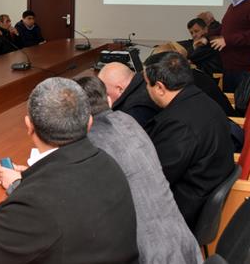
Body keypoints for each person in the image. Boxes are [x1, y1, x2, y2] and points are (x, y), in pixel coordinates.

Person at [0, 78, 138, 264]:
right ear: (89, 124)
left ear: (29, 126)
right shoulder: (107, 163)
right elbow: (56, 217)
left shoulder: (38, 201)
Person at [75, 76, 203, 264]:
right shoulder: (128, 120)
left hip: (146, 256)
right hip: (184, 245)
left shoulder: (90, 145)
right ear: (109, 100)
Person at [143, 52, 235, 231]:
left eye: (147, 84)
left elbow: (156, 179)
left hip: (184, 212)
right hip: (201, 194)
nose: (146, 89)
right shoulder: (202, 100)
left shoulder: (179, 124)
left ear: (160, 87)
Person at [210, 0, 250, 92]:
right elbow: (226, 28)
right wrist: (206, 37)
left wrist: (227, 40)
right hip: (230, 66)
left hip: (244, 69)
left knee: (239, 102)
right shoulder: (234, 5)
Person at [98, 62, 160, 127]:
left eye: (106, 94)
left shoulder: (131, 112)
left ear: (120, 89)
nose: (105, 98)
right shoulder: (149, 81)